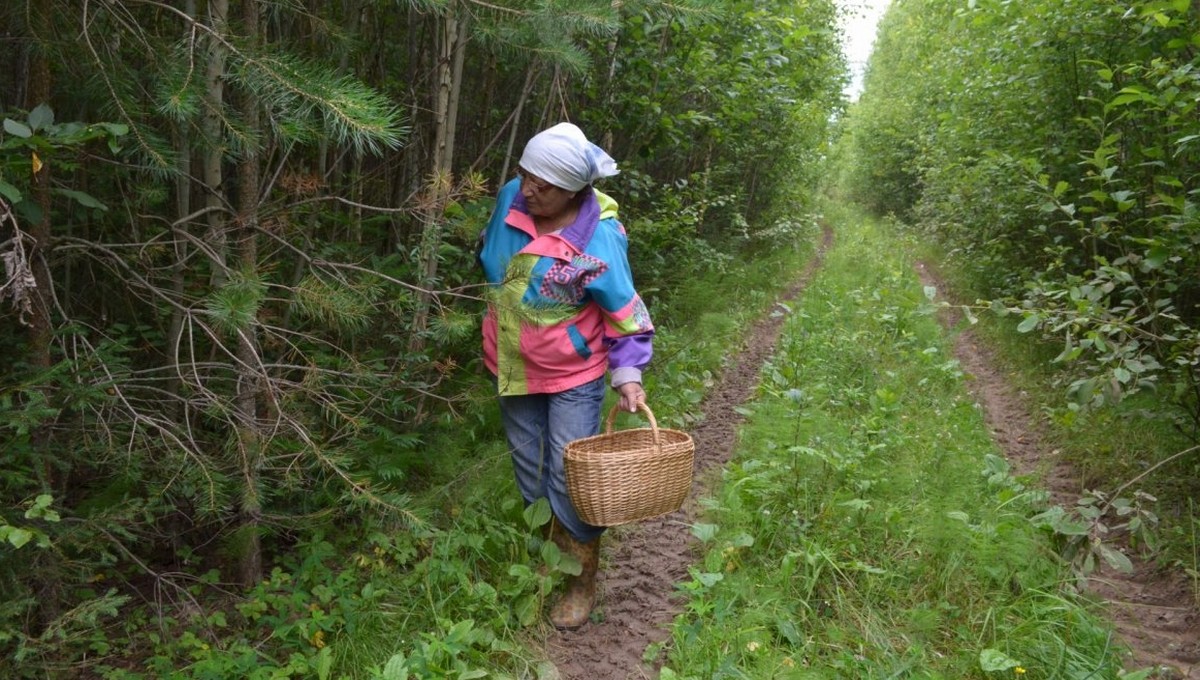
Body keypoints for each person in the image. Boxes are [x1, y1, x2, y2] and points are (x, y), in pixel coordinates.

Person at [477, 122, 654, 629]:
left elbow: (623, 309)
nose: (528, 189)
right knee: (530, 473)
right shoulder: (514, 196)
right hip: (511, 366)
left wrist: (628, 375)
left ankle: (581, 580)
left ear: (576, 190)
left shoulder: (597, 237)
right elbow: (490, 256)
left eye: (544, 186)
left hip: (573, 372)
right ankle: (553, 558)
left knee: (570, 477)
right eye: (525, 175)